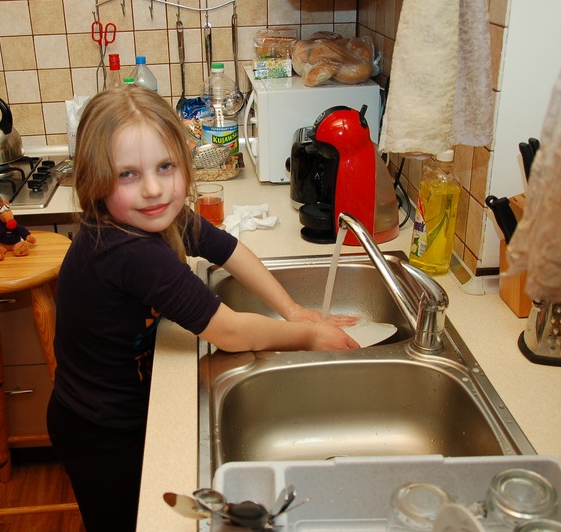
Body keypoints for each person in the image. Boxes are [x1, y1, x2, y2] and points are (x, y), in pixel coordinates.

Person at [47, 86, 358, 531]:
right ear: (95, 182)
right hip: (99, 431)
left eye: (165, 167)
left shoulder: (158, 218)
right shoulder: (129, 250)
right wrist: (308, 335)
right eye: (128, 174)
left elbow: (227, 249)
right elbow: (229, 332)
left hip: (124, 407)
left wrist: (292, 310)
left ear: (184, 163)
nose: (153, 189)